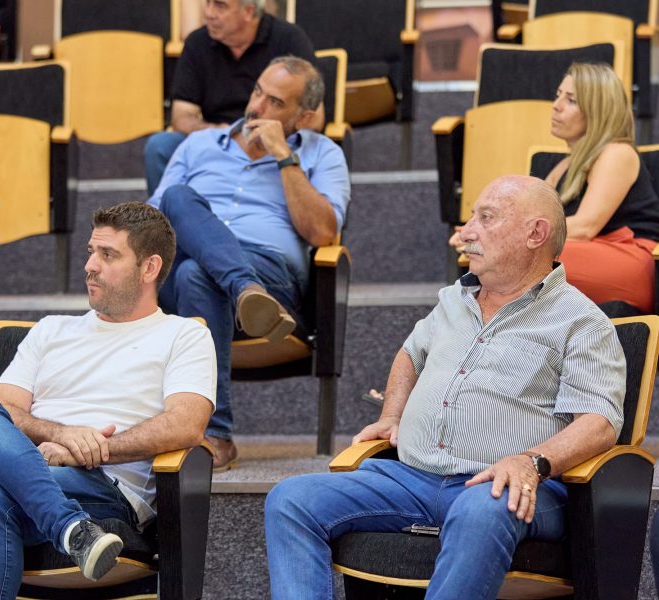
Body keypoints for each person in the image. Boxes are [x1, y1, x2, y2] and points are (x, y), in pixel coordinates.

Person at [266, 175, 626, 599]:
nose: (466, 231)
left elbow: (600, 423)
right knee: (291, 499)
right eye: (471, 217)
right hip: (412, 478)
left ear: (535, 234)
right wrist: (392, 415)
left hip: (512, 486)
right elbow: (410, 354)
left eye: (485, 218)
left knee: (483, 507)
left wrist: (532, 462)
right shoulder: (454, 299)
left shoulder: (581, 321)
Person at [0, 202, 216, 598]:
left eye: (108, 255)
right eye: (91, 252)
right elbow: (0, 410)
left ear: (149, 267)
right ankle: (72, 529)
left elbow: (186, 425)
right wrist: (62, 435)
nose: (90, 265)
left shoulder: (184, 336)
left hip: (103, 487)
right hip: (28, 461)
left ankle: (68, 524)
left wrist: (86, 452)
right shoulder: (50, 330)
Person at [148, 56, 350, 470]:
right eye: (258, 91)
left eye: (275, 102)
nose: (257, 107)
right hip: (194, 265)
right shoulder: (199, 144)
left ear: (304, 116)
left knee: (197, 276)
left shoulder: (323, 154)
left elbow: (322, 232)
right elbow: (150, 221)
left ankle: (214, 432)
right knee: (177, 199)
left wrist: (284, 157)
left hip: (270, 275)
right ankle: (243, 289)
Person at [450, 62, 659, 314]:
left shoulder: (617, 153)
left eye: (570, 100)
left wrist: (501, 239)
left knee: (520, 255)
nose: (556, 105)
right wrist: (483, 231)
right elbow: (529, 220)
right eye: (558, 95)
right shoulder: (561, 166)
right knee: (504, 256)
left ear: (598, 110)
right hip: (584, 251)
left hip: (630, 260)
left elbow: (585, 226)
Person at [143, 0, 319, 195]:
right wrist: (224, 133)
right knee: (160, 146)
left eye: (220, 6)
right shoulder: (197, 42)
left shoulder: (289, 39)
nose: (208, 13)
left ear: (248, 11)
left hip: (274, 141)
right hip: (216, 139)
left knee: (313, 149)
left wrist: (274, 140)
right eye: (207, 3)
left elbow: (315, 118)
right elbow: (181, 116)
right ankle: (162, 213)